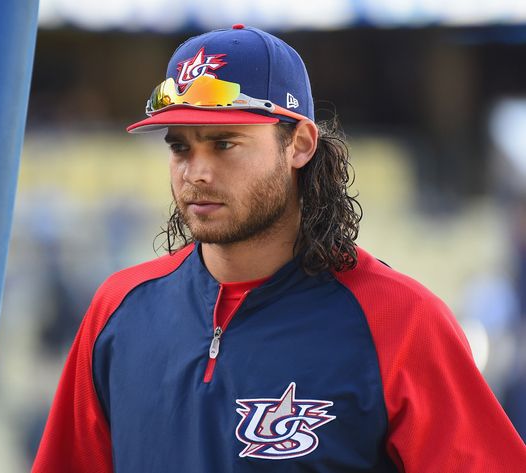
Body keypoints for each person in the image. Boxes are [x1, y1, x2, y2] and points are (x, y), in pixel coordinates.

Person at [32, 25, 526, 472]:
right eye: (180, 146)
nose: (195, 172)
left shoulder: (400, 319)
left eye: (224, 143)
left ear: (300, 145)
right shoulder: (118, 309)